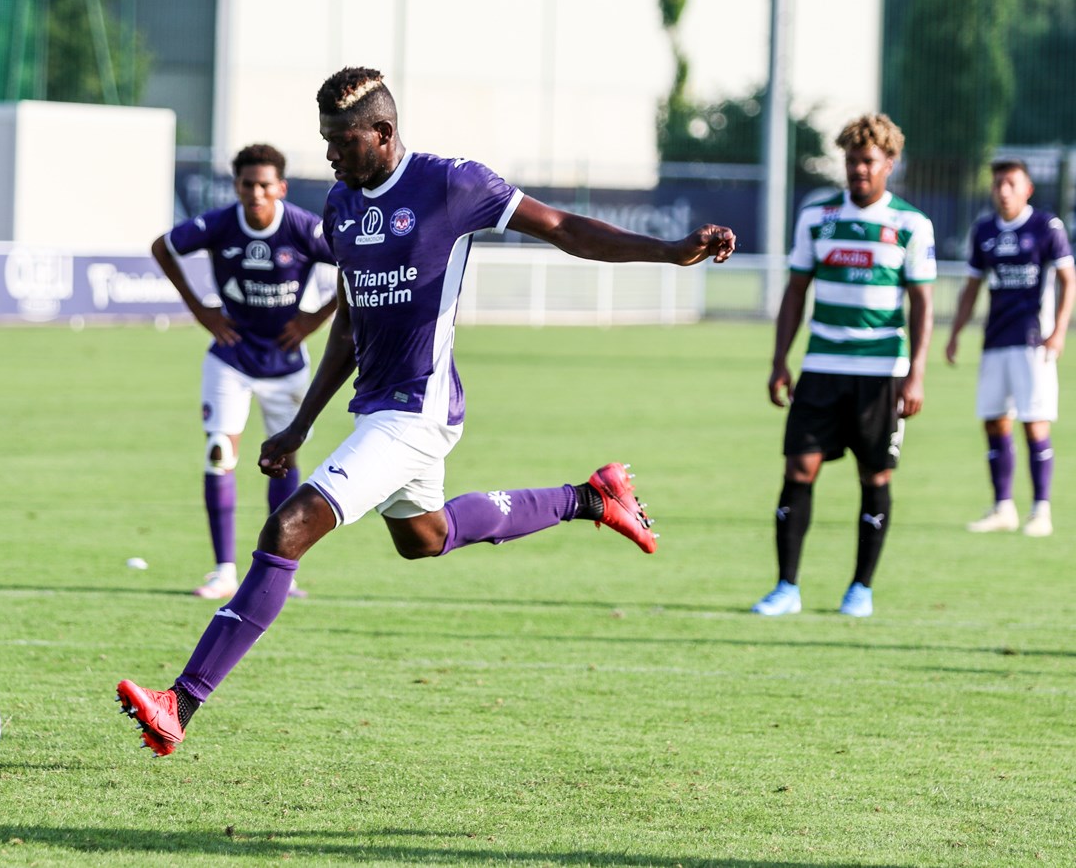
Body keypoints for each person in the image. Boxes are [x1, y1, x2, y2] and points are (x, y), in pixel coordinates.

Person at [115, 66, 736, 756]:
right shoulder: (341, 208)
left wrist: (668, 252)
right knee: (424, 536)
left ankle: (182, 699)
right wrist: (300, 424)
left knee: (289, 526)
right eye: (324, 140)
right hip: (377, 408)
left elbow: (563, 226)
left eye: (341, 142)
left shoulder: (450, 183)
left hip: (418, 409)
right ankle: (589, 497)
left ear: (382, 133)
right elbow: (348, 326)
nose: (329, 155)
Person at [754, 114, 935, 619]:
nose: (858, 170)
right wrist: (779, 361)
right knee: (799, 468)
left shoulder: (911, 224)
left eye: (868, 162)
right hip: (822, 366)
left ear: (888, 165)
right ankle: (786, 587)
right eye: (852, 161)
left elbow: (922, 304)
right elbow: (795, 293)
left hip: (882, 372)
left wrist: (916, 372)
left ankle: (861, 589)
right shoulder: (816, 217)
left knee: (875, 476)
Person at [151, 144, 338, 599]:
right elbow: (163, 247)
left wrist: (315, 318)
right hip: (230, 359)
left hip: (286, 364)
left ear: (281, 188)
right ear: (236, 186)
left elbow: (356, 264)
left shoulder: (302, 228)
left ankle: (281, 572)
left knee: (282, 461)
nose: (255, 193)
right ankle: (223, 572)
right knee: (220, 452)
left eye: (264, 185)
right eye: (247, 184)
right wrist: (202, 311)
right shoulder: (219, 225)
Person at [945, 158, 1074, 537]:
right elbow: (972, 286)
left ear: (1027, 188)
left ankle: (1041, 510)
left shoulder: (1046, 226)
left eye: (1011, 183)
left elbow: (1069, 278)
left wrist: (1060, 330)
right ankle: (1003, 507)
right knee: (994, 419)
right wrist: (955, 332)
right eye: (998, 183)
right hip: (995, 340)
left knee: (1034, 423)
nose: (1004, 190)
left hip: (1034, 342)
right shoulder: (983, 230)